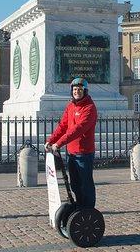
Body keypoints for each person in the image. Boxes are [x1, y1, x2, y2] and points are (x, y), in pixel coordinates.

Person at [45, 77, 98, 208]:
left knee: (85, 183)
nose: (77, 92)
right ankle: (80, 206)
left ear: (85, 91)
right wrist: (50, 140)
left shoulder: (89, 108)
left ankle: (88, 209)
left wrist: (59, 143)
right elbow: (63, 126)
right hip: (72, 152)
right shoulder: (70, 106)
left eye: (80, 89)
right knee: (74, 183)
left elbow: (77, 130)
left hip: (84, 153)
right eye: (75, 89)